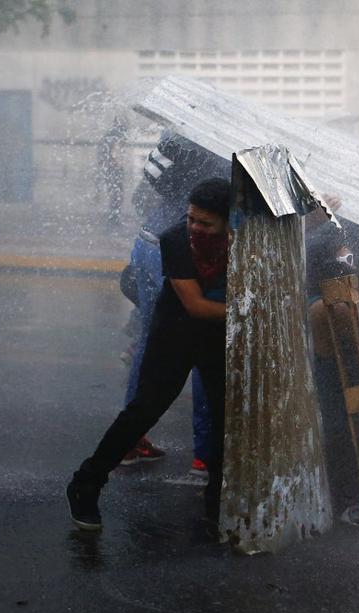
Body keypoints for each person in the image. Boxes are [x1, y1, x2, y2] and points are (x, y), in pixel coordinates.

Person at [67, 179, 231, 532]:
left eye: (205, 223)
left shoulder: (241, 239)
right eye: (191, 219)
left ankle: (218, 502)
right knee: (144, 411)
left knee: (222, 417)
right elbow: (196, 306)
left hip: (216, 335)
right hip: (175, 331)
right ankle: (86, 483)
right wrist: (250, 311)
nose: (195, 228)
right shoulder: (174, 240)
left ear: (227, 222)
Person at [123, 133, 231, 476]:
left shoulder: (182, 140)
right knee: (205, 342)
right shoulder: (218, 149)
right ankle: (206, 452)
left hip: (148, 240)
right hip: (180, 247)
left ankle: (130, 439)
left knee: (151, 340)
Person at [97, 116, 127, 225]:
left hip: (112, 168)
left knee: (116, 193)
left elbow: (104, 153)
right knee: (116, 194)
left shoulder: (111, 136)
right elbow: (113, 153)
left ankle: (114, 217)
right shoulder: (114, 136)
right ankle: (114, 218)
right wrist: (115, 163)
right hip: (113, 168)